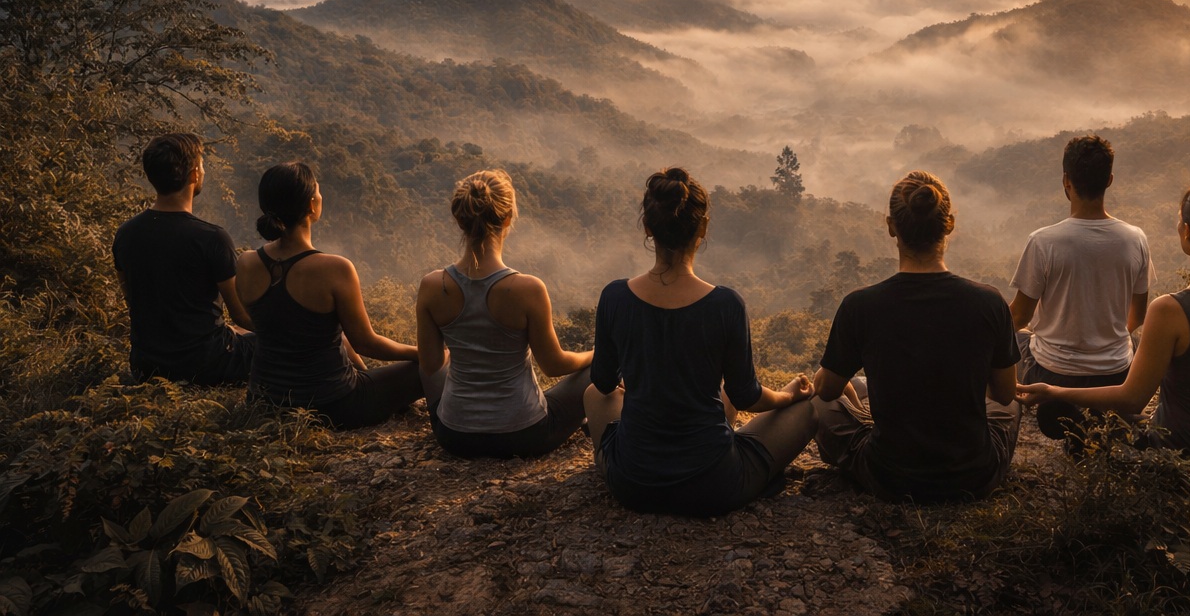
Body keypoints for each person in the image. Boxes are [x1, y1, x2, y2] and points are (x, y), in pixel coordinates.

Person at [584, 167, 816, 517]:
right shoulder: (725, 305)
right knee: (810, 407)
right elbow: (746, 396)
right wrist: (787, 396)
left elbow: (602, 383)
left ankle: (619, 463)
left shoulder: (615, 297)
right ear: (703, 229)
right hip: (714, 484)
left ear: (647, 227)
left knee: (592, 396)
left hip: (634, 483)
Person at [1019, 183, 1190, 496]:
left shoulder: (1171, 309)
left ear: (1187, 233)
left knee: (1079, 418)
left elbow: (1132, 398)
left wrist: (1053, 389)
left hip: (1189, 468)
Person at [813, 171, 1022, 503]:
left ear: (891, 226)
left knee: (820, 405)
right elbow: (1005, 393)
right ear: (949, 223)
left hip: (889, 477)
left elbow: (826, 390)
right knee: (1008, 411)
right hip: (975, 475)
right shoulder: (989, 302)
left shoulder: (860, 306)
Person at [417, 169, 593, 459]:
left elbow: (431, 363)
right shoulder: (526, 288)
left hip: (454, 434)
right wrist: (596, 353)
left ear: (460, 220)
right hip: (524, 434)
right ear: (508, 218)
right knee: (600, 368)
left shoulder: (433, 285)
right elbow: (554, 364)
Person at [235, 161, 422, 429]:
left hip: (264, 401)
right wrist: (425, 353)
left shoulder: (246, 262)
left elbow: (279, 323)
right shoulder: (335, 269)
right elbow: (366, 343)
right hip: (333, 405)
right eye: (319, 192)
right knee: (431, 367)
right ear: (312, 205)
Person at [1008, 135, 1151, 389]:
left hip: (1051, 375)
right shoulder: (1135, 239)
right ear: (1109, 180)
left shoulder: (1043, 242)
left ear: (1066, 180)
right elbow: (1137, 315)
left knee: (1019, 337)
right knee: (1133, 345)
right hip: (1115, 375)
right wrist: (1104, 346)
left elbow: (1019, 316)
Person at [113, 132, 256, 385]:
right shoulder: (211, 238)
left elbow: (133, 302)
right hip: (208, 363)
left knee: (237, 334)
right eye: (202, 164)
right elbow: (241, 314)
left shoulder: (125, 234)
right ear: (193, 174)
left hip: (146, 366)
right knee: (281, 348)